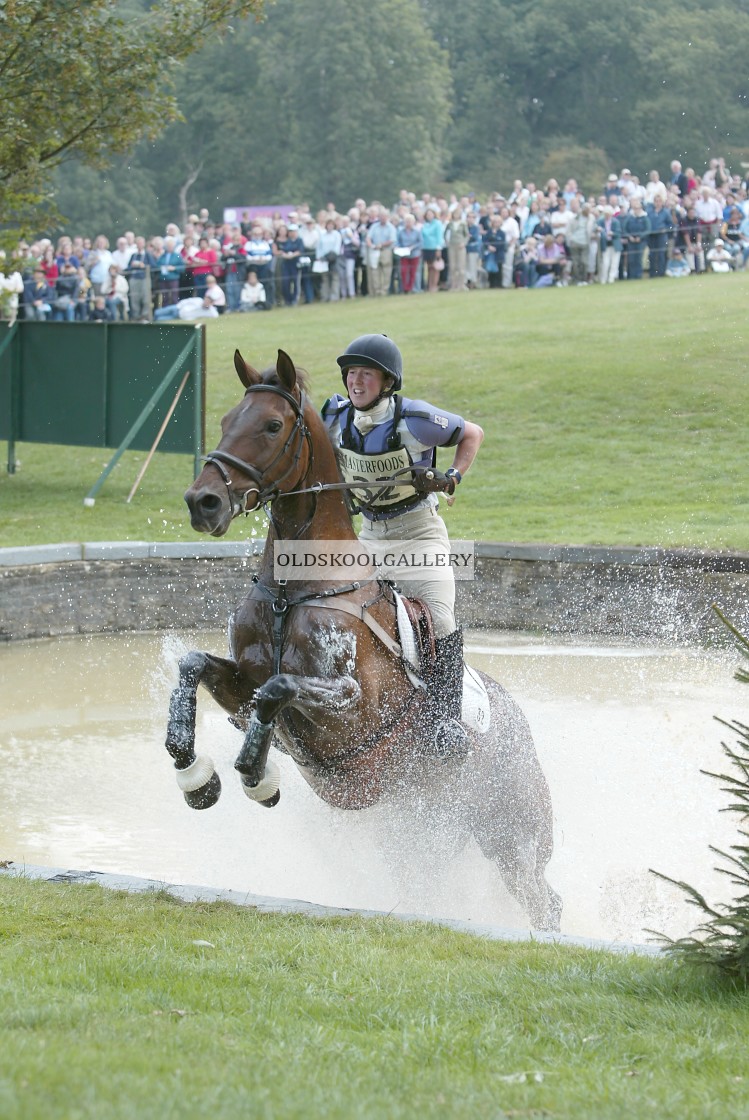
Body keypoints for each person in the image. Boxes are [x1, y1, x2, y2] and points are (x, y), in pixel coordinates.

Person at [322, 334, 484, 756]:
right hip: (370, 538)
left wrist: (454, 475)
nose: (356, 381)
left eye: (366, 374)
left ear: (387, 381)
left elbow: (473, 433)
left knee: (442, 619)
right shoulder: (334, 418)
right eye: (351, 373)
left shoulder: (416, 419)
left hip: (420, 536)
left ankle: (445, 724)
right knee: (327, 607)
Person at [154, 272, 226, 319]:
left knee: (159, 317)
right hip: (179, 308)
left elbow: (208, 306)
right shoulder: (202, 298)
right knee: (157, 313)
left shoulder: (215, 291)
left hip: (180, 313)